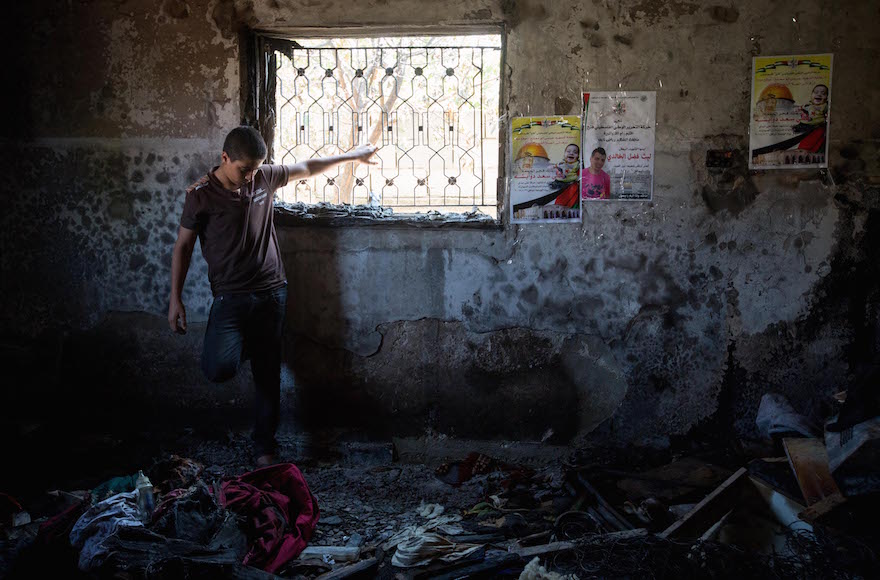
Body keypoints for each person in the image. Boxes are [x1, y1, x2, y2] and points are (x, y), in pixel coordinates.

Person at [168, 126, 378, 466]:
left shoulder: (263, 178)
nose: (250, 176)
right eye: (243, 169)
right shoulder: (201, 195)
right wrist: (174, 298)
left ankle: (264, 450)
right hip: (231, 298)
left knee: (268, 376)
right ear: (225, 159)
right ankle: (251, 344)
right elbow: (183, 246)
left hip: (271, 292)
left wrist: (354, 154)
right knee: (218, 367)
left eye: (255, 169)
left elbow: (308, 167)